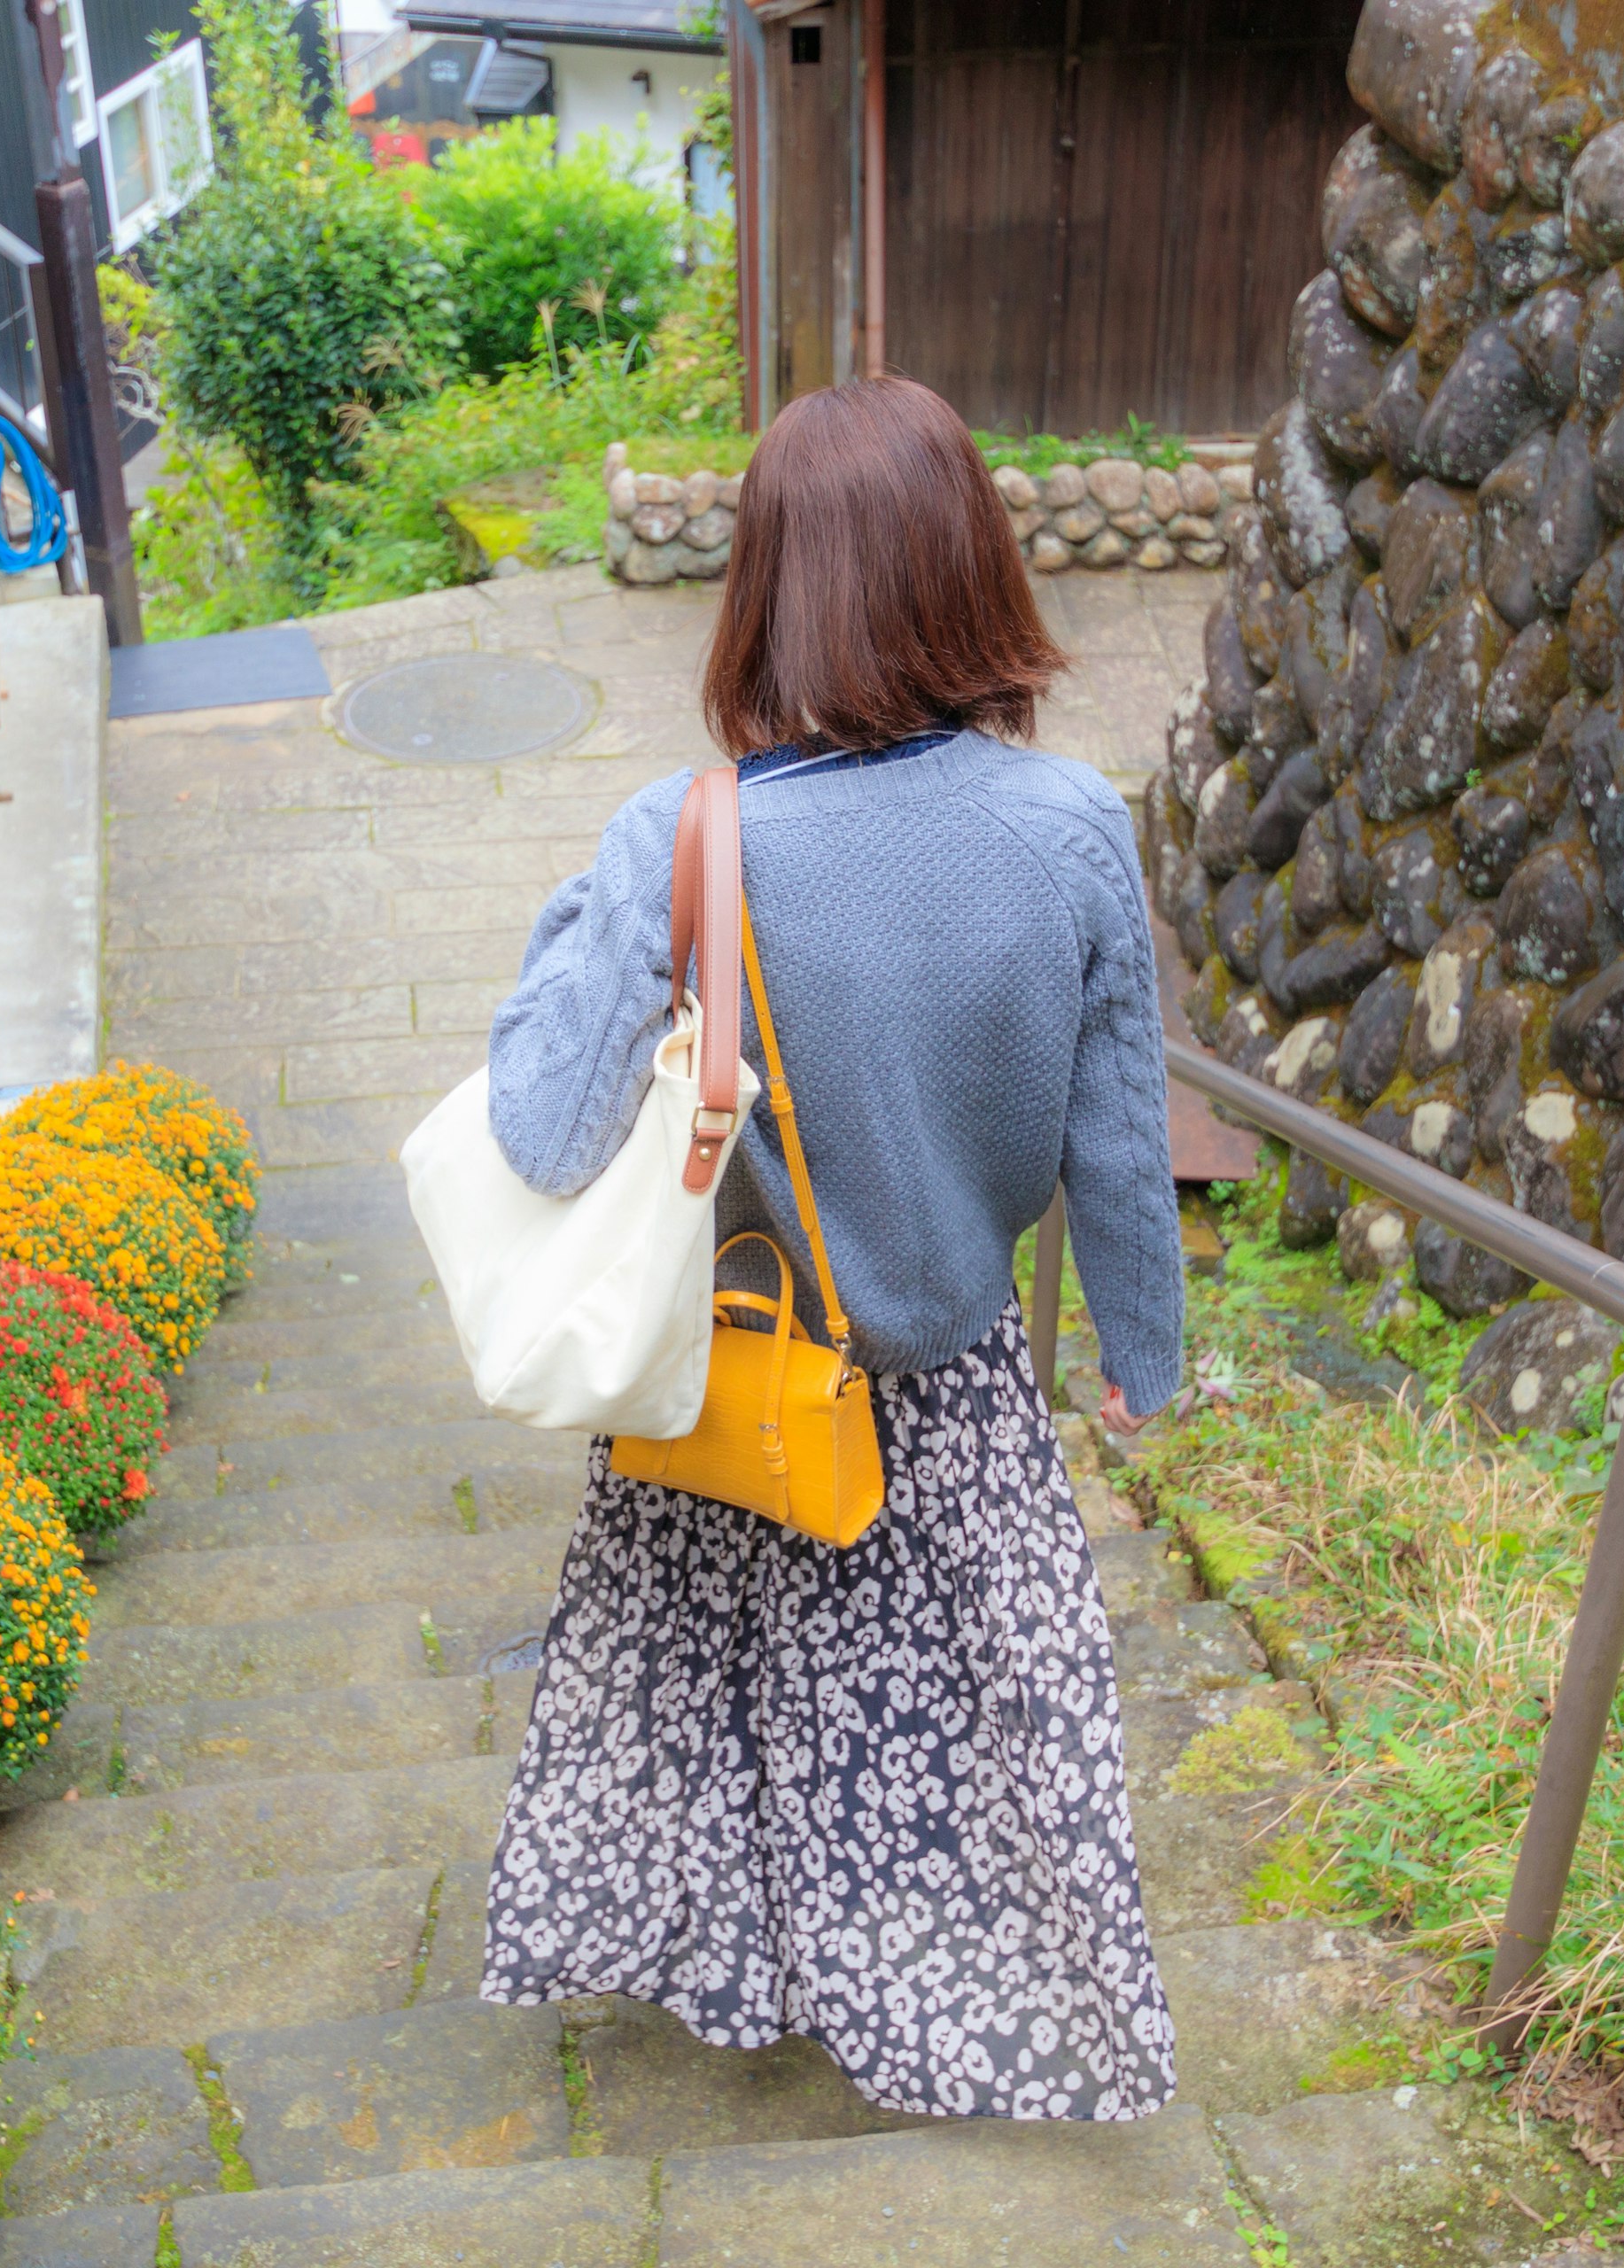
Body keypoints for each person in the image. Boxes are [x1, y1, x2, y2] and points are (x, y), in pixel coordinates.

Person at [475, 372, 1187, 2122]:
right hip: (952, 1394)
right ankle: (953, 1998)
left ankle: (749, 1973)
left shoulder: (684, 835)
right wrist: (1146, 1365)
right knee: (952, 1736)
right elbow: (1118, 1144)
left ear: (770, 585)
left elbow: (540, 1125)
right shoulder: (1081, 827)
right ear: (975, 570)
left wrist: (597, 922)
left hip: (738, 1376)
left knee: (721, 1699)